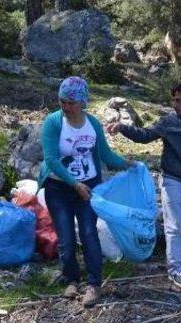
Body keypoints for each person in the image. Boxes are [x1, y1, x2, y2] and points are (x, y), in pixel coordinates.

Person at [106, 83, 181, 286]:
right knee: (174, 227)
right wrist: (122, 127)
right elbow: (145, 136)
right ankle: (175, 269)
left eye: (179, 100)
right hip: (172, 181)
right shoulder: (168, 122)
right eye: (173, 100)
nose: (174, 104)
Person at [38, 76, 134, 307]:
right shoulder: (53, 123)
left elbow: (105, 154)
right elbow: (51, 159)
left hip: (88, 186)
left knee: (89, 232)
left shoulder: (93, 125)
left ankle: (93, 284)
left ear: (82, 102)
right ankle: (71, 279)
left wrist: (128, 164)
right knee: (66, 237)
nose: (66, 106)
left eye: (71, 102)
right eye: (63, 101)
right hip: (58, 187)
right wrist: (74, 184)